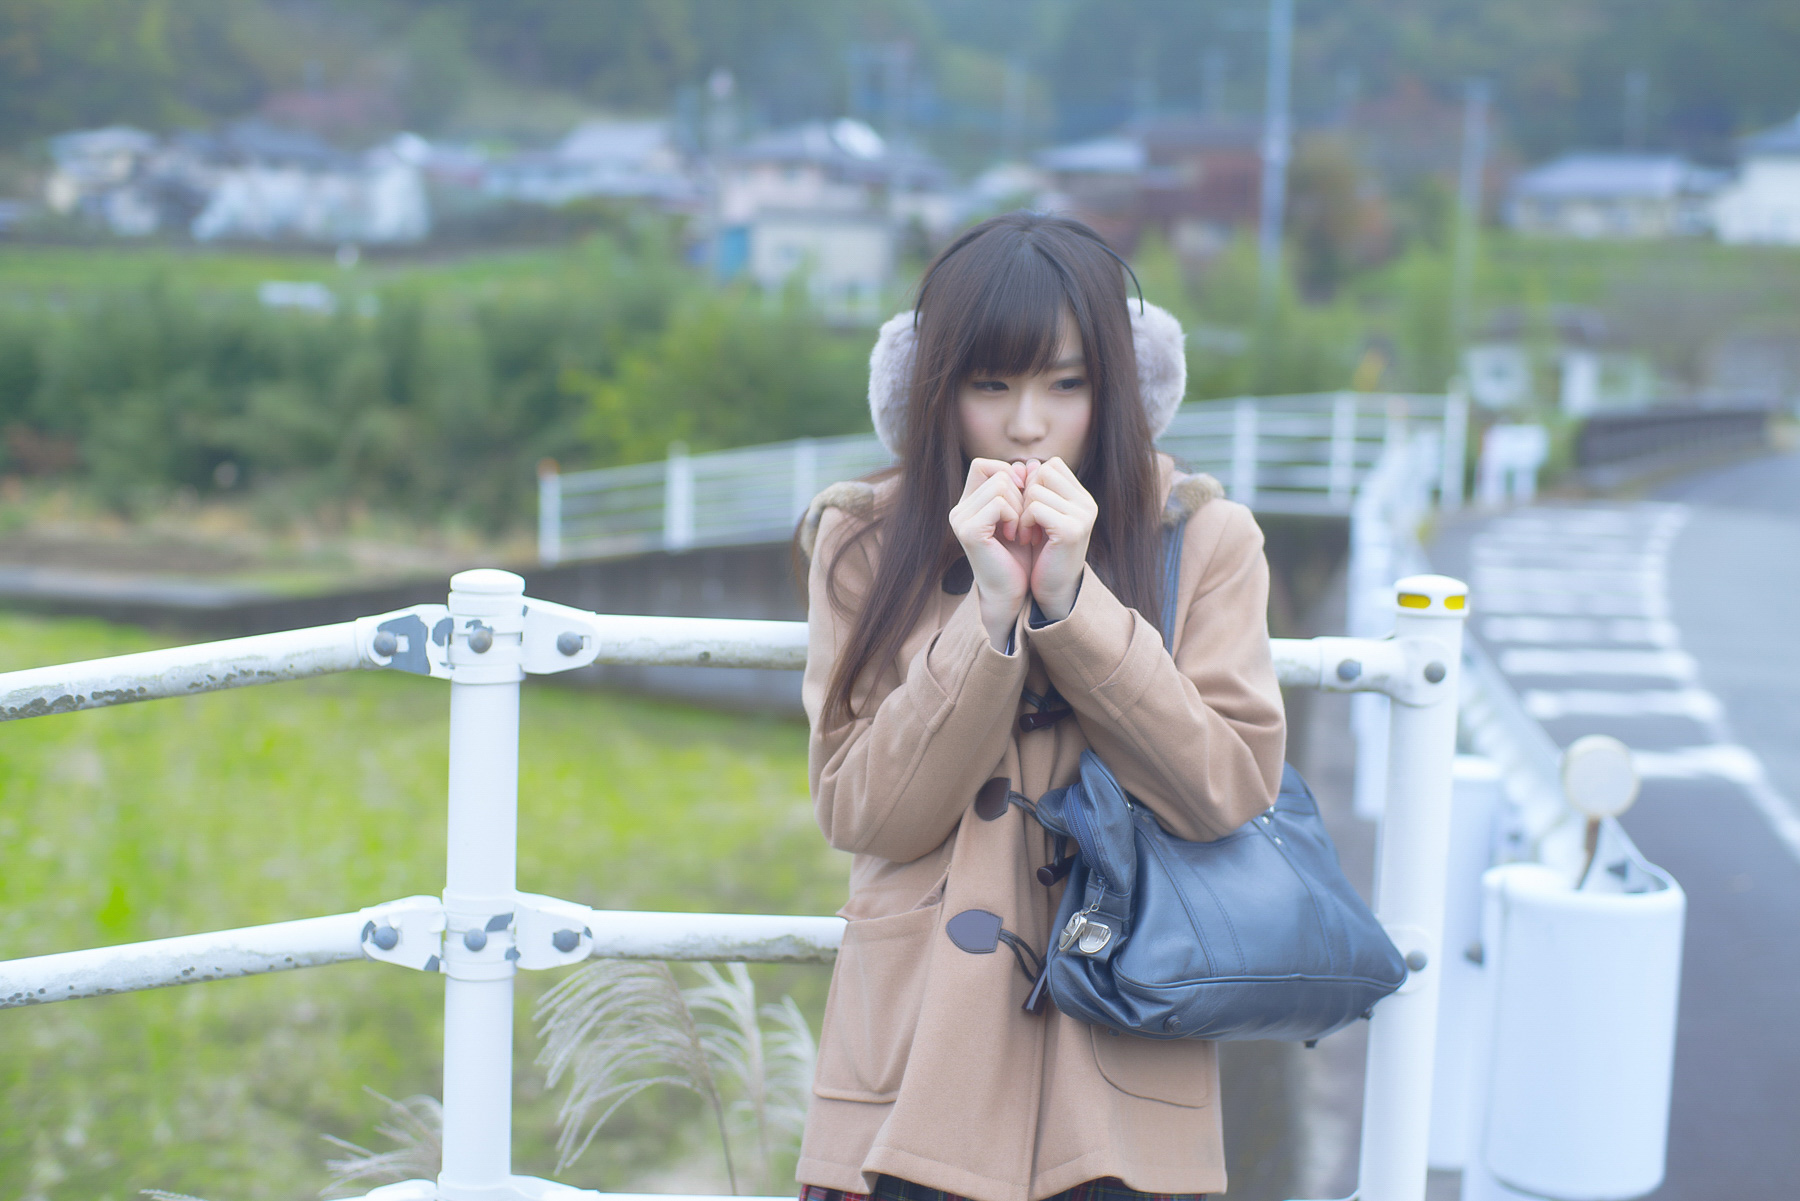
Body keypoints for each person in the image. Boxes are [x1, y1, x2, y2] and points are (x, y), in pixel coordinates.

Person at [793, 212, 1287, 1201]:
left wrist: (1073, 605)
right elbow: (859, 810)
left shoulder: (1202, 537)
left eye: (1067, 384)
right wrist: (987, 617)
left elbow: (1226, 791)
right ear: (937, 390)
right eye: (991, 385)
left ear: (1117, 388)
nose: (1028, 424)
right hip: (915, 1070)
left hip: (1121, 1077)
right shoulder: (866, 541)